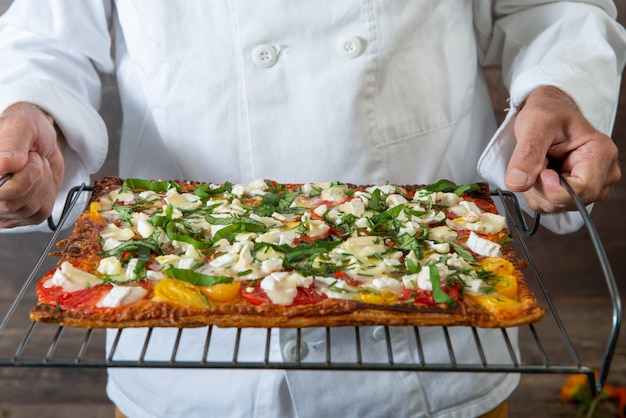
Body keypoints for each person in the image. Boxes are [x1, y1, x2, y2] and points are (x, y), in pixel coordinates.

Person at [0, 1, 624, 417]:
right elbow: (44, 33)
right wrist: (26, 110)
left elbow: (548, 7)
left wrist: (557, 89)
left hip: (429, 353)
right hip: (181, 343)